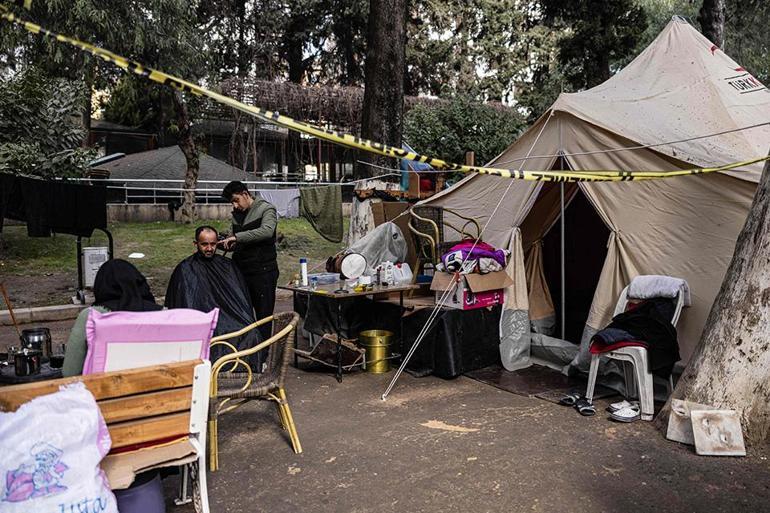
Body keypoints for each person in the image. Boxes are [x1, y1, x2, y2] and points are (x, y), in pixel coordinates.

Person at [165, 225, 263, 369]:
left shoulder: (227, 266)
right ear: (196, 244)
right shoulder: (185, 269)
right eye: (204, 244)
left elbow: (241, 303)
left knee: (251, 333)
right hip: (198, 322)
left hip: (229, 319)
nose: (209, 249)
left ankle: (243, 373)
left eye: (213, 244)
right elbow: (177, 307)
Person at [62, 259, 162, 377]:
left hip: (102, 391)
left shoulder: (92, 317)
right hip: (159, 389)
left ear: (100, 286)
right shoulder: (164, 315)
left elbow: (69, 372)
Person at [219, 181, 279, 340]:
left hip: (263, 271)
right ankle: (248, 349)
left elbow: (267, 231)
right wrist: (222, 244)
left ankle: (263, 355)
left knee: (263, 316)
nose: (235, 205)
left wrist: (237, 237)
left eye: (236, 200)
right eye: (232, 202)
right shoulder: (237, 215)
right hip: (241, 271)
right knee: (243, 312)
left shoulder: (267, 209)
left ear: (246, 194)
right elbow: (240, 243)